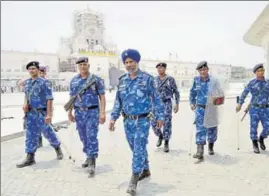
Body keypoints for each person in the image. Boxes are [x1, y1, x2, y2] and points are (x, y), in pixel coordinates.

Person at [108, 49, 165, 195]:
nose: (128, 65)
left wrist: (160, 116)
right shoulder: (122, 81)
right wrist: (113, 118)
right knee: (135, 148)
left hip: (143, 120)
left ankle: (134, 179)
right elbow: (118, 102)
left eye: (131, 61)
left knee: (139, 147)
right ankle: (145, 169)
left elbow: (157, 99)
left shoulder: (147, 79)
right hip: (127, 121)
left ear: (137, 62)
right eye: (126, 62)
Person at [16, 61, 63, 168]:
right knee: (30, 135)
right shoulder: (27, 83)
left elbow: (49, 99)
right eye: (30, 69)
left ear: (38, 69)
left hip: (41, 112)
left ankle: (57, 148)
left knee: (48, 132)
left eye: (34, 68)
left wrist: (49, 114)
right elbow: (26, 96)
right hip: (30, 113)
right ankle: (30, 157)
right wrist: (25, 105)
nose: (32, 70)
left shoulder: (44, 82)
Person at [68, 57, 106, 176]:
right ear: (78, 67)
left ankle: (92, 161)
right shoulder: (74, 80)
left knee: (91, 136)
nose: (83, 67)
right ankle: (88, 156)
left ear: (88, 66)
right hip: (79, 113)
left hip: (92, 112)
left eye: (85, 64)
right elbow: (72, 98)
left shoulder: (96, 79)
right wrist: (69, 112)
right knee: (83, 136)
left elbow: (102, 97)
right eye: (80, 65)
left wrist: (103, 112)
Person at [189, 61, 223, 162]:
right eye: (201, 70)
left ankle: (211, 145)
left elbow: (220, 92)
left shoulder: (214, 80)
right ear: (199, 71)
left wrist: (217, 98)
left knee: (212, 128)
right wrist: (191, 102)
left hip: (211, 108)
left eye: (204, 69)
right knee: (200, 129)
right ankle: (200, 151)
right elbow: (192, 92)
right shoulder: (196, 80)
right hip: (200, 108)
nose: (203, 71)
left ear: (208, 69)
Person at [236, 63, 269, 153]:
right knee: (254, 127)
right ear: (255, 72)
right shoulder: (252, 83)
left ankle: (261, 138)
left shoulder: (268, 83)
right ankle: (254, 143)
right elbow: (244, 93)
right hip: (254, 109)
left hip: (266, 109)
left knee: (267, 127)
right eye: (258, 71)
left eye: (262, 70)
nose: (261, 72)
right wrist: (240, 104)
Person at [152, 62, 180, 152]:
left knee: (167, 123)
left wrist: (177, 104)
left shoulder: (170, 79)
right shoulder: (154, 80)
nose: (160, 69)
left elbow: (176, 91)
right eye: (158, 68)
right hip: (156, 105)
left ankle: (166, 142)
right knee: (153, 122)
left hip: (166, 103)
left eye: (161, 68)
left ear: (165, 69)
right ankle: (160, 136)